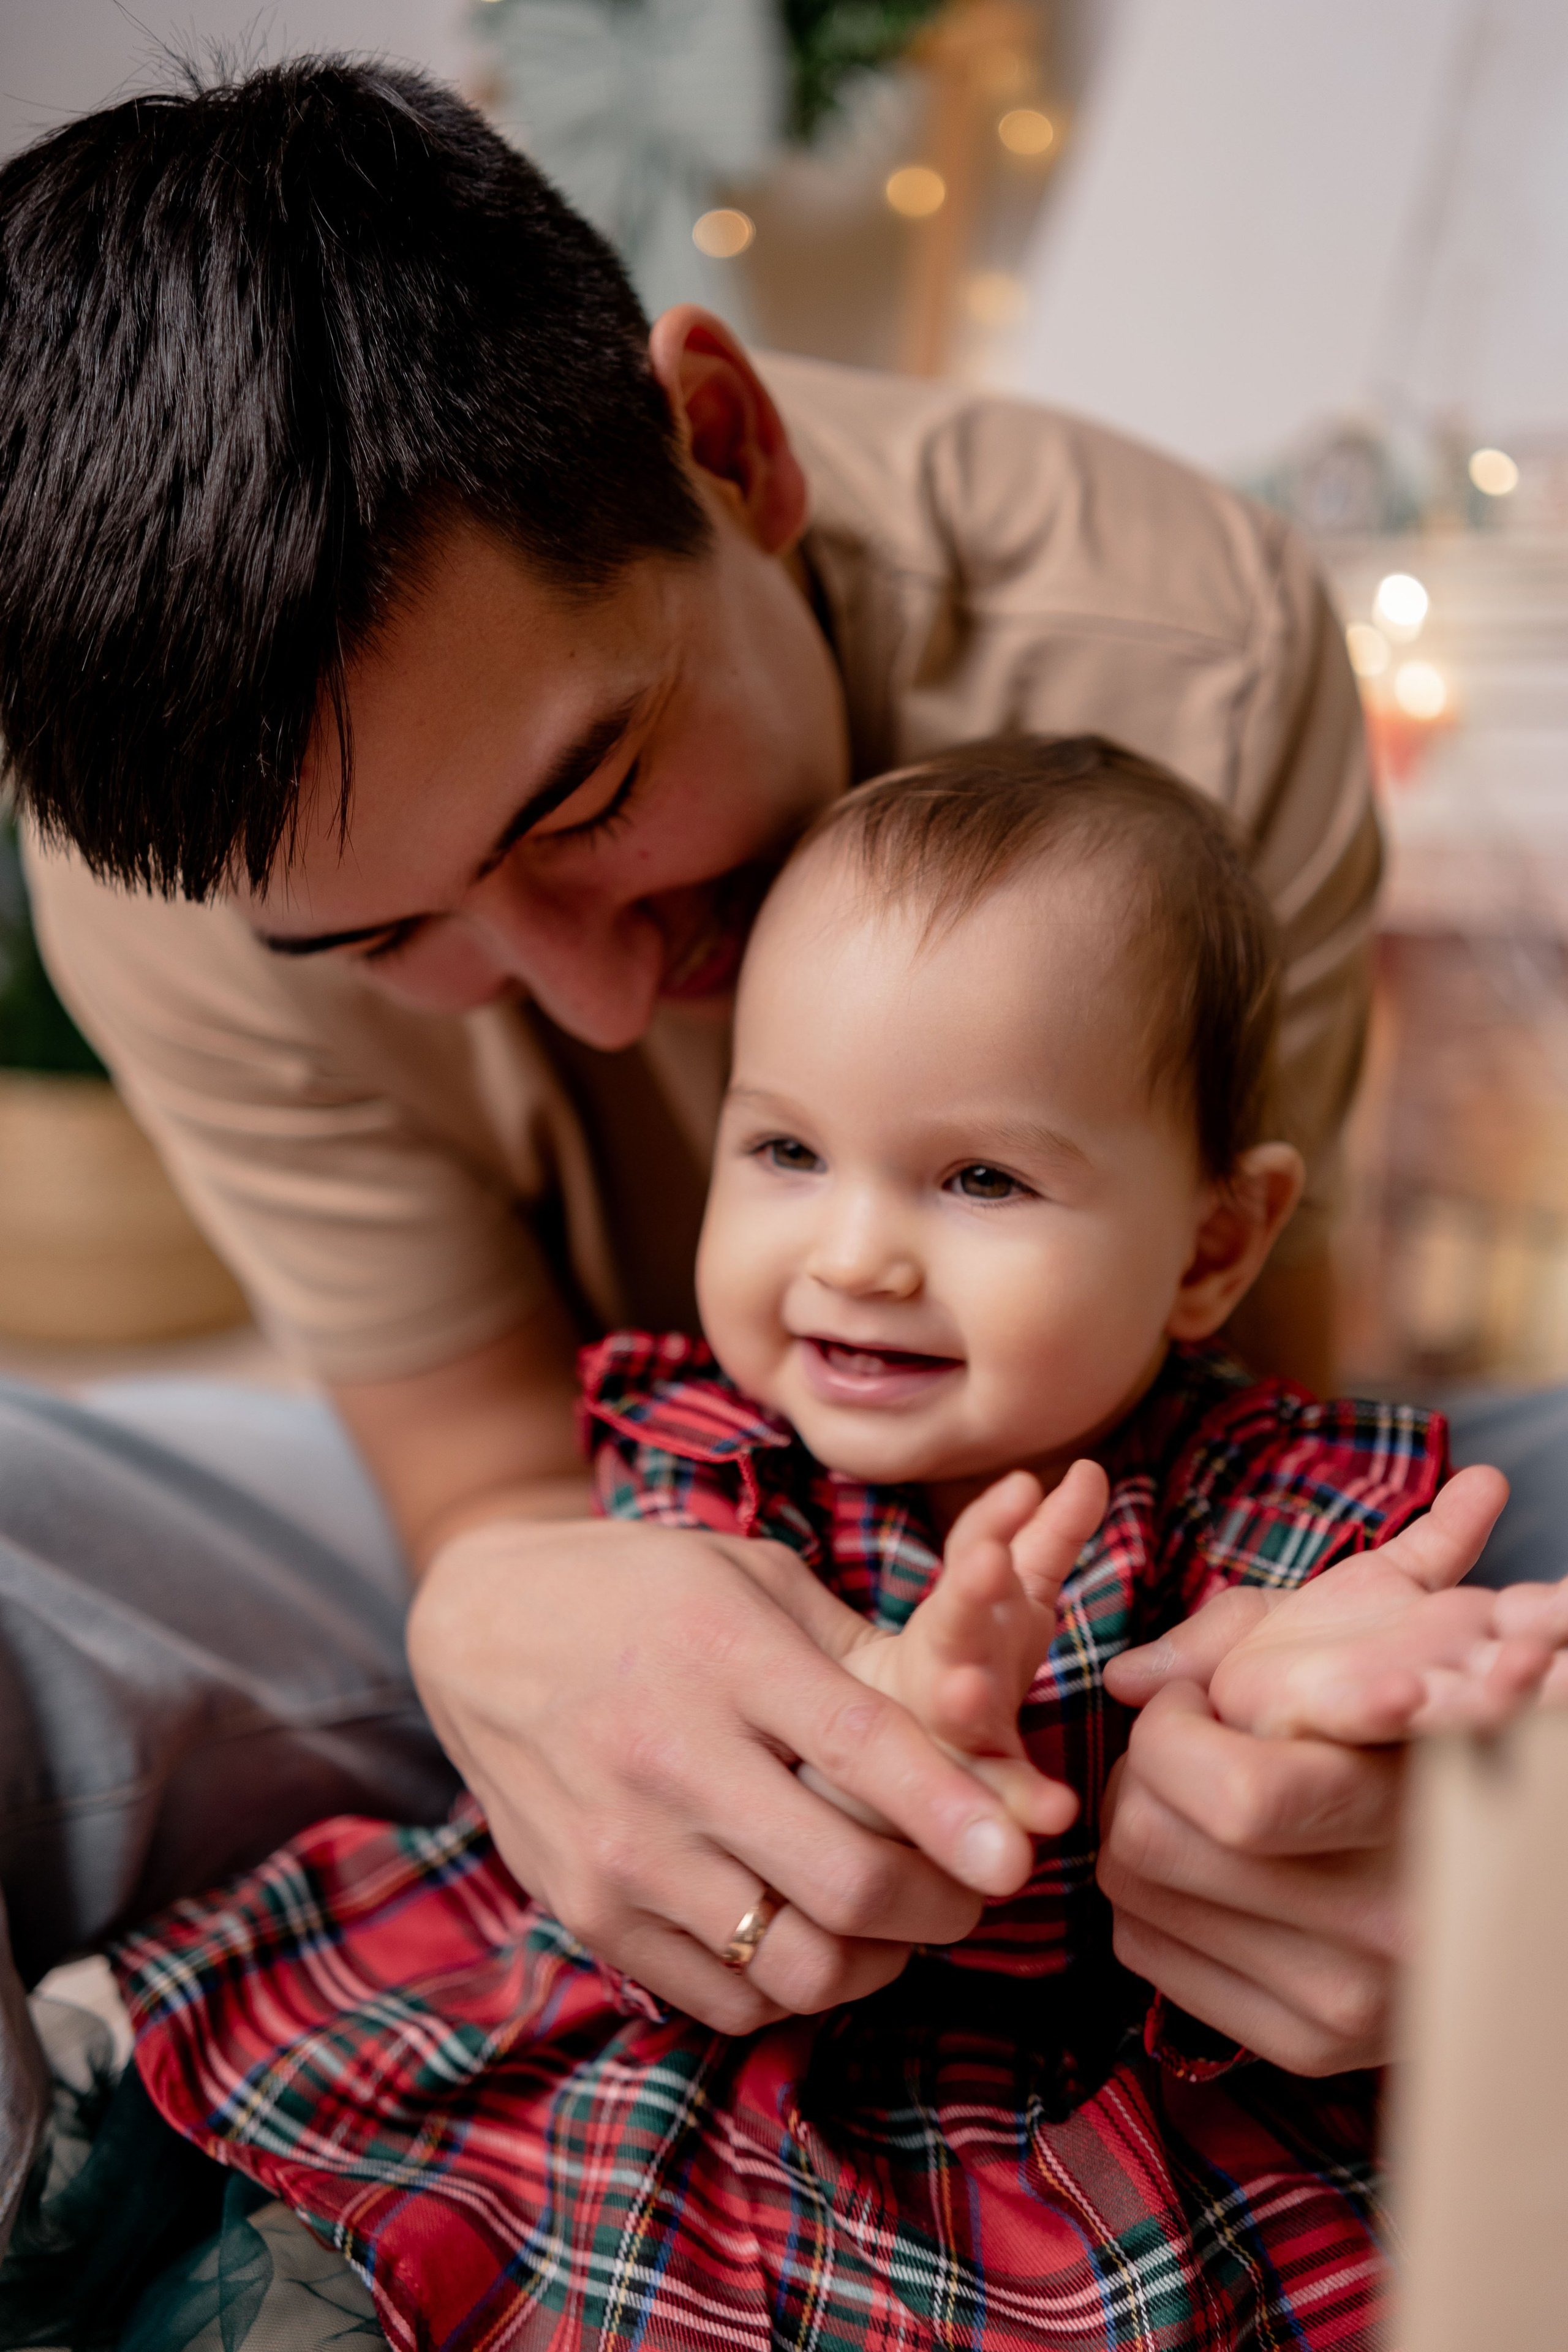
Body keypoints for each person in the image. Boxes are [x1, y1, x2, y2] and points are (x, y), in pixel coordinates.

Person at [0, 54, 1492, 2236]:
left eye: (586, 798)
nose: (597, 1007)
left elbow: (1245, 1394)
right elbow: (479, 1464)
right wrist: (509, 1605)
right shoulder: (168, 873)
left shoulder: (1186, 653)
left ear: (733, 449)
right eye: (387, 936)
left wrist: (1301, 1784)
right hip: (583, 1454)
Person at [111, 743, 1565, 2350]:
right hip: (690, 2071)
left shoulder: (1266, 1490)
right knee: (345, 2280)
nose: (856, 1254)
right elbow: (694, 1789)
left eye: (981, 1177)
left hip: (1094, 2131)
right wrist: (897, 1703)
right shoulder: (711, 1460)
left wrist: (1330, 1689)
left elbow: (1280, 1707)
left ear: (1213, 1246)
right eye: (788, 1152)